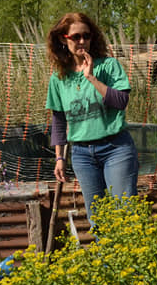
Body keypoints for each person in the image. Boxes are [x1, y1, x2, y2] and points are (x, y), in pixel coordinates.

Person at [46, 12, 139, 226]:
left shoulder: (109, 66)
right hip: (82, 154)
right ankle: (104, 250)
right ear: (63, 39)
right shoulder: (58, 78)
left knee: (125, 213)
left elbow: (121, 101)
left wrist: (91, 77)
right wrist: (59, 158)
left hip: (115, 148)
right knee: (98, 218)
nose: (82, 41)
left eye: (86, 36)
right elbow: (59, 121)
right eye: (76, 36)